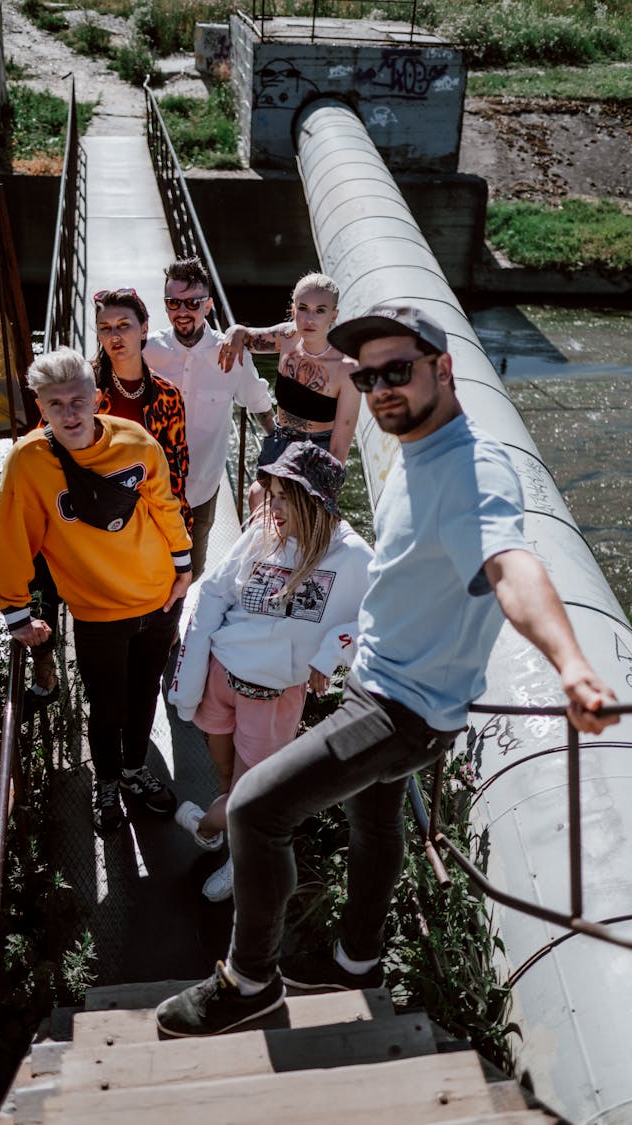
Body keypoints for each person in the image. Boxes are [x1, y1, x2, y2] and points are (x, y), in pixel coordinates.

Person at [155, 301, 619, 1038]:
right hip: (381, 682)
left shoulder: (475, 470)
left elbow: (511, 563)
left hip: (403, 706)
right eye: (367, 378)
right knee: (375, 822)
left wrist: (572, 666)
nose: (381, 391)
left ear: (445, 367)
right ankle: (359, 957)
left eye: (397, 371)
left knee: (254, 809)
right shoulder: (417, 449)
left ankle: (249, 981)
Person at [0, 347, 192, 832]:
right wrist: (16, 611)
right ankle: (105, 783)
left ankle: (134, 771)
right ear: (39, 406)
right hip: (98, 609)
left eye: (78, 400)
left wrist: (183, 566)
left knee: (144, 695)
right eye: (55, 404)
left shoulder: (136, 441)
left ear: (98, 397)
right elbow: (14, 537)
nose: (69, 413)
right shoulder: (29, 462)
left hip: (157, 596)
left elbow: (165, 506)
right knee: (106, 704)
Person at [169, 442, 372, 903]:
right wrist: (193, 668)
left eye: (282, 496)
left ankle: (214, 836)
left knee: (248, 799)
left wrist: (328, 656)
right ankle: (226, 839)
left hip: (272, 697)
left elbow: (381, 619)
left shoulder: (355, 559)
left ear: (311, 499)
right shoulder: (263, 531)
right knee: (227, 780)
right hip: (221, 679)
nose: (271, 506)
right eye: (272, 493)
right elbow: (215, 590)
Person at [145, 256, 275, 579]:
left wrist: (280, 447)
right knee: (150, 567)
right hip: (151, 486)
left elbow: (258, 400)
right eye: (173, 302)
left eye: (192, 302)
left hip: (201, 489)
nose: (182, 311)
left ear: (208, 305)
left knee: (193, 571)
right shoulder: (147, 351)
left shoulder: (231, 353)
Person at [219, 272, 361, 510]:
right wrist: (233, 331)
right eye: (303, 308)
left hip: (317, 452)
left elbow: (339, 449)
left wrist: (324, 491)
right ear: (293, 310)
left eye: (320, 310)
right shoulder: (286, 337)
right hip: (280, 441)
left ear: (333, 315)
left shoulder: (347, 369)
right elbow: (246, 336)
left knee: (292, 512)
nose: (310, 318)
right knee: (257, 498)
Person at [93, 286, 192, 535]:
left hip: (147, 520)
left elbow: (176, 472)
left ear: (144, 328)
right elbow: (46, 446)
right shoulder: (81, 388)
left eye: (124, 325)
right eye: (105, 328)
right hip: (93, 518)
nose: (114, 335)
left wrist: (179, 536)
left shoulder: (167, 395)